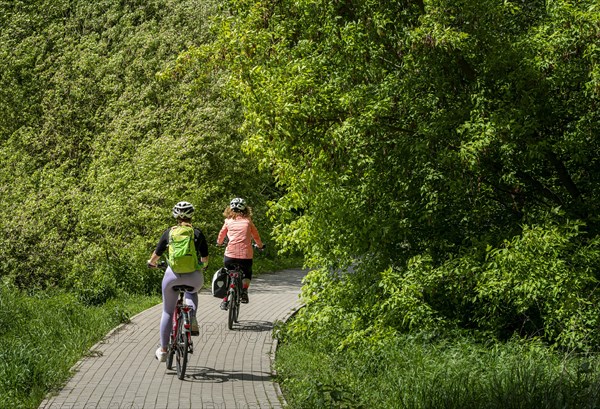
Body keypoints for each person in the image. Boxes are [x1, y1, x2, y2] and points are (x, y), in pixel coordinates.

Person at [147, 201, 209, 362]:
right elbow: (205, 258)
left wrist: (152, 263)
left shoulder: (169, 232)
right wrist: (203, 266)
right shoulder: (197, 233)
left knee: (167, 311)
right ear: (191, 215)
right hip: (194, 276)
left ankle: (163, 350)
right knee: (192, 292)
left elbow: (157, 254)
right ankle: (192, 318)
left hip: (172, 276)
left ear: (176, 216)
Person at [216, 197, 264, 310]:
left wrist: (219, 243)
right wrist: (260, 246)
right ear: (246, 209)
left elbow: (221, 235)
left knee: (228, 273)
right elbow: (256, 236)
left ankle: (224, 299)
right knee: (247, 273)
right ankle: (244, 291)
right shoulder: (248, 221)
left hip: (230, 256)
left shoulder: (227, 221)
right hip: (245, 256)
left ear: (230, 209)